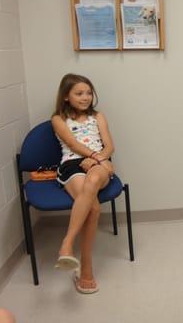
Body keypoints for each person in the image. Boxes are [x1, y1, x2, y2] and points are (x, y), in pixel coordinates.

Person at [51, 73, 115, 294]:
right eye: (79, 93)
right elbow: (73, 144)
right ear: (66, 96)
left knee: (95, 178)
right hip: (72, 165)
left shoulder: (98, 116)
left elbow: (109, 146)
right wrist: (99, 159)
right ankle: (86, 269)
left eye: (88, 93)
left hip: (97, 163)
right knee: (93, 207)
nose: (85, 97)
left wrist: (99, 159)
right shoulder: (58, 119)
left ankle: (67, 244)